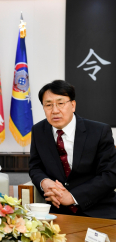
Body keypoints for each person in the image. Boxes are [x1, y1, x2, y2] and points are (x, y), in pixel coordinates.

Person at [29, 80, 116, 219]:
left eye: (60, 103)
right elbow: (35, 167)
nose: (55, 110)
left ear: (73, 105)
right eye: (48, 105)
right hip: (56, 210)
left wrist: (73, 197)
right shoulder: (39, 130)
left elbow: (110, 175)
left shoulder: (99, 131)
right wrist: (44, 182)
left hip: (98, 209)